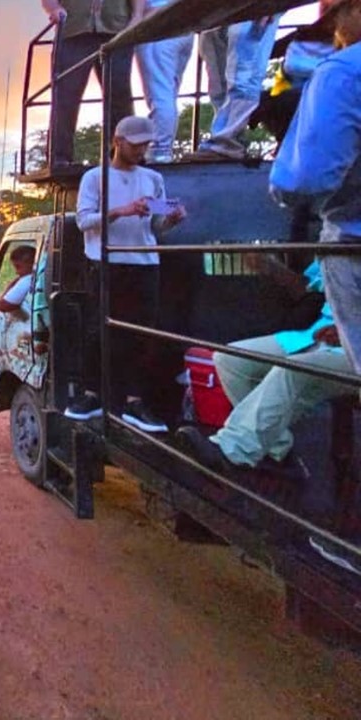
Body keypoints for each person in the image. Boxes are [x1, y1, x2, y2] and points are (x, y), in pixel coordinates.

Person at [64, 115, 187, 432]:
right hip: (106, 263)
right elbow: (83, 221)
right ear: (117, 142)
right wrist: (121, 210)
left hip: (145, 264)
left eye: (146, 145)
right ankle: (92, 395)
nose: (142, 151)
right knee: (98, 329)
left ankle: (134, 401)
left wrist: (172, 218)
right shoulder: (95, 178)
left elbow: (156, 226)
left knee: (141, 334)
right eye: (136, 145)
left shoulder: (153, 178)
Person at [178, 258, 352, 471]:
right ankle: (277, 449)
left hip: (354, 349)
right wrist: (271, 265)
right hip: (317, 334)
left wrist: (350, 331)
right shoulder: (336, 239)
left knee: (293, 369)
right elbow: (308, 287)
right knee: (230, 358)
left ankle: (233, 451)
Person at [271, 0, 361, 374]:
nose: (336, 36)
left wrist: (281, 190)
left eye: (335, 23)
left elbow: (305, 178)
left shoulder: (342, 72)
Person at [40, 0, 141, 168]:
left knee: (119, 94)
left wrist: (137, 16)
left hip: (116, 30)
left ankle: (123, 155)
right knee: (65, 97)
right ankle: (59, 157)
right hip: (73, 30)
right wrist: (54, 8)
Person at [189, 15, 284, 160]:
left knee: (243, 76)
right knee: (219, 82)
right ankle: (228, 139)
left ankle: (226, 142)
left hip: (251, 10)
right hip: (215, 11)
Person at [135, 0, 194, 163]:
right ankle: (162, 149)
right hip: (185, 25)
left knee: (160, 94)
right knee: (168, 92)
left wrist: (137, 18)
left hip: (158, 24)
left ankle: (159, 151)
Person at [0, 245, 37, 315]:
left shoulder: (27, 280)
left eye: (18, 267)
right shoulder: (39, 278)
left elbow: (3, 306)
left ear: (32, 264)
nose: (16, 272)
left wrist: (14, 283)